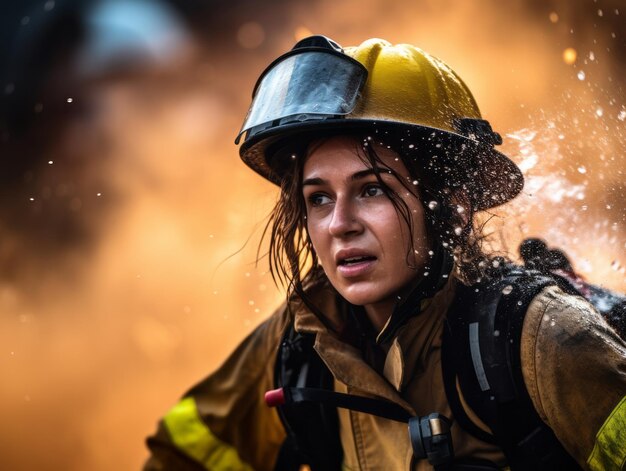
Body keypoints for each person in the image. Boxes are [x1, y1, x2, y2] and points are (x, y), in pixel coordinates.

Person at [143, 36, 626, 470]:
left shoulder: (540, 340)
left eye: (372, 189)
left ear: (450, 202)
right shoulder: (303, 340)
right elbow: (182, 453)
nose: (339, 224)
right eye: (319, 198)